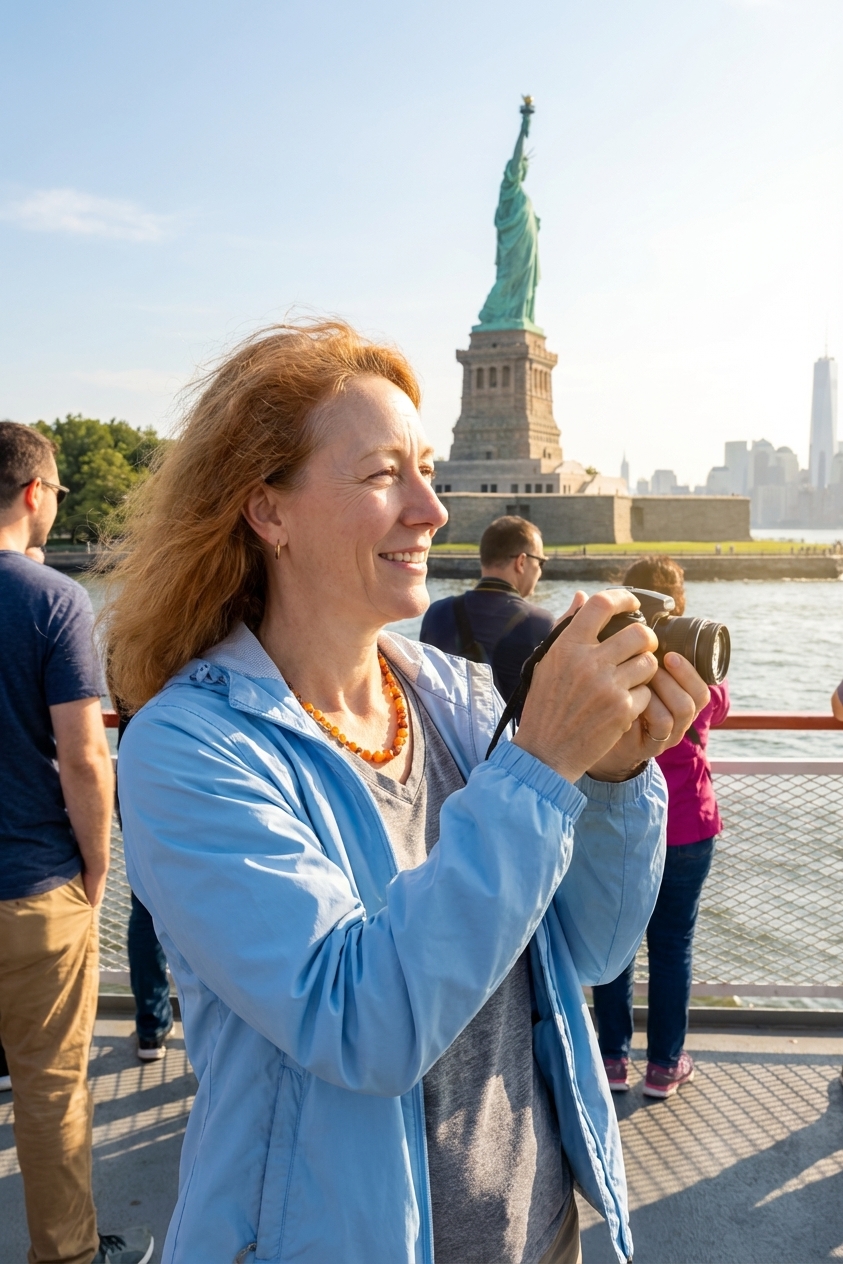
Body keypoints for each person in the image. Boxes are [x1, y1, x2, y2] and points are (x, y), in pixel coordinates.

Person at [107, 321, 708, 1264]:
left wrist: (611, 773)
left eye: (424, 469)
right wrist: (542, 764)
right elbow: (359, 1023)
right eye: (385, 474)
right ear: (269, 512)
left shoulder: (455, 697)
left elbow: (591, 947)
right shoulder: (188, 749)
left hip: (541, 1227)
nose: (431, 509)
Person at [0, 421, 154, 1264]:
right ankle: (66, 1253)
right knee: (51, 1090)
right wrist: (97, 867)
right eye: (58, 492)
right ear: (33, 494)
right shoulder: (51, 599)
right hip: (33, 885)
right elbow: (85, 756)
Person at [592, 555, 729, 1099]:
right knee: (673, 946)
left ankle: (612, 1059)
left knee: (616, 943)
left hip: (619, 822)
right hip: (689, 822)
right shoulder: (691, 657)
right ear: (680, 597)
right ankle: (665, 1064)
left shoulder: (613, 659)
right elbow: (715, 707)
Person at [420, 515, 554, 700]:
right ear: (521, 562)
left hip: (441, 728)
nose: (540, 570)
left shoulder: (436, 613)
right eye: (540, 562)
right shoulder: (539, 623)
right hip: (511, 729)